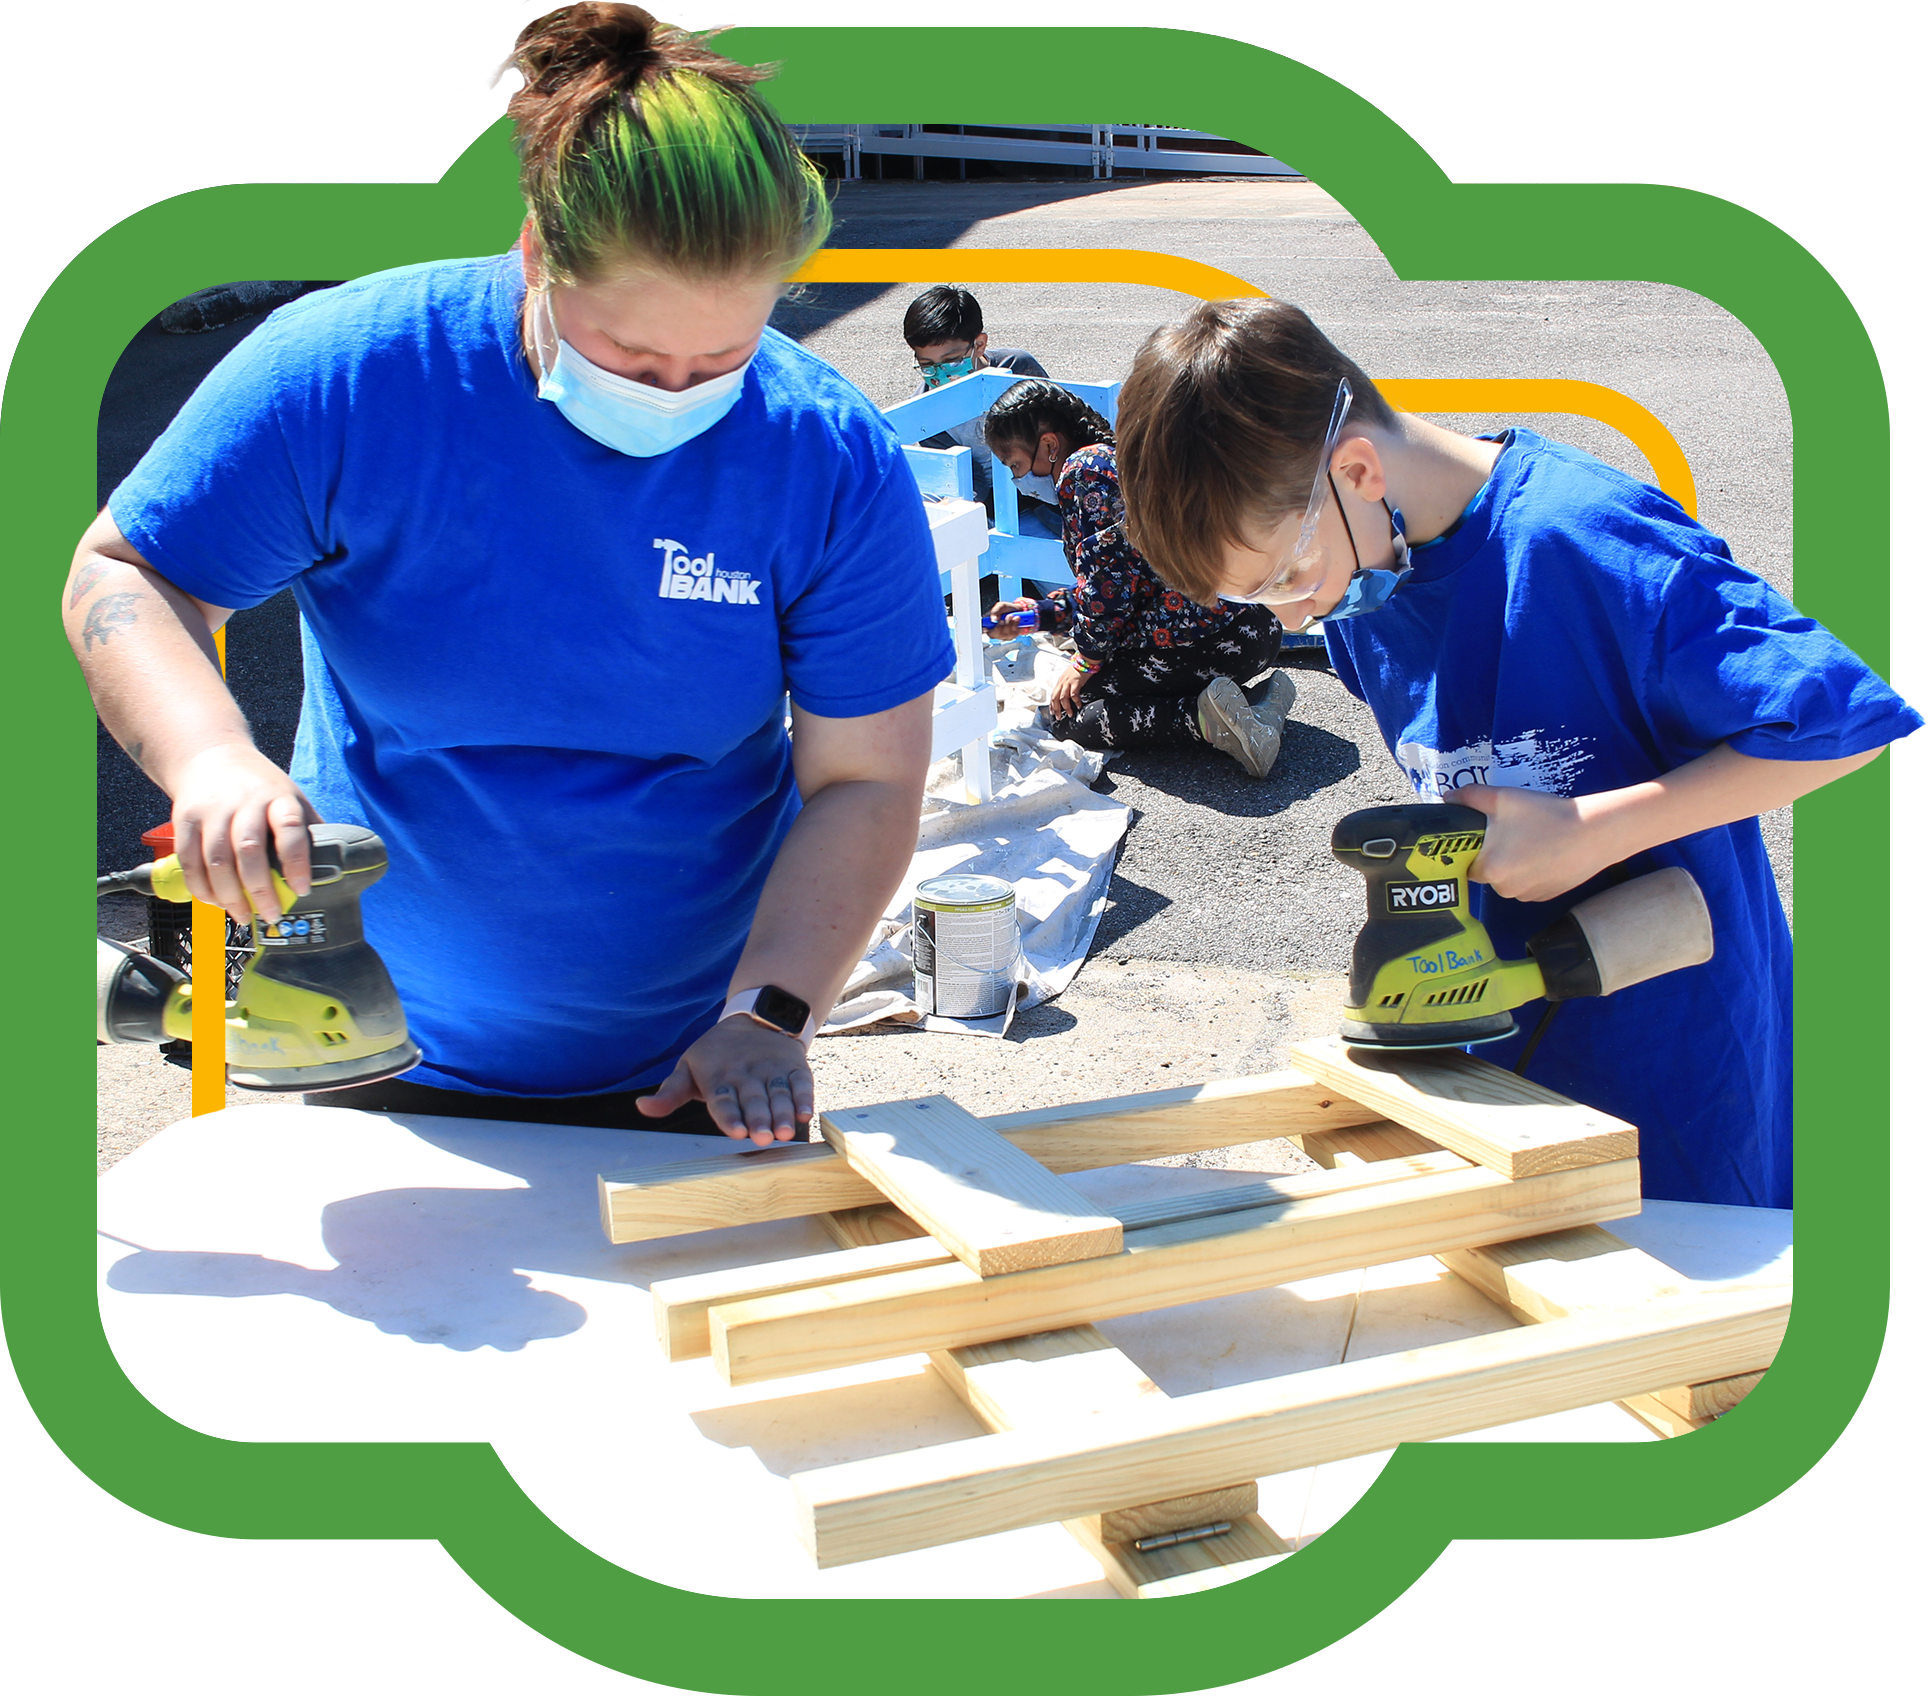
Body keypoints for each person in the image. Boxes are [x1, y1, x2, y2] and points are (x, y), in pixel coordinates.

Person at [62, 3, 954, 1148]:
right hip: (355, 1049)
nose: (677, 394)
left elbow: (864, 782)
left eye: (722, 359)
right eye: (633, 358)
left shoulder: (822, 456)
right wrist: (209, 759)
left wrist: (771, 1014)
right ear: (537, 255)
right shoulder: (352, 378)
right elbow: (128, 572)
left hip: (691, 1067)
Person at [1113, 296, 1923, 1208]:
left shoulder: (1586, 542)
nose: (1294, 618)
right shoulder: (1366, 582)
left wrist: (1593, 827)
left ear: (1358, 469)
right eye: (1258, 601)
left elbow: (1845, 724)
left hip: (1680, 1059)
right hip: (1503, 1056)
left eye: (1287, 577)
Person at [979, 380, 1294, 778]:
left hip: (1207, 640)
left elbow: (1109, 597)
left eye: (1016, 466)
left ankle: (1206, 723)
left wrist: (1083, 662)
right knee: (1089, 682)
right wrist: (1033, 616)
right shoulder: (1115, 459)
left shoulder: (1082, 475)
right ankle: (1255, 704)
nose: (1016, 480)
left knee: (1068, 715)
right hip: (1254, 627)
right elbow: (1112, 589)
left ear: (1050, 446)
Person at [901, 284, 1059, 532]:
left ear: (980, 344)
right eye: (927, 365)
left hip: (1047, 480)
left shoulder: (1017, 367)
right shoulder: (927, 409)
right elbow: (969, 477)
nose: (940, 374)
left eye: (951, 362)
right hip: (991, 500)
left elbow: (1058, 422)